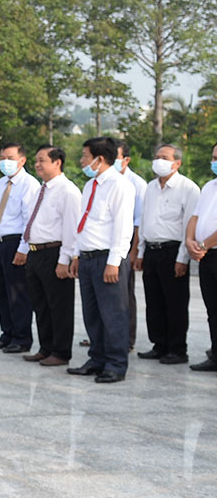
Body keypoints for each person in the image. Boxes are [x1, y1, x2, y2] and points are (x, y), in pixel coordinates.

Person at [67, 137, 136, 384]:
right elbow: (82, 223)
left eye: (85, 155)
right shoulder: (90, 185)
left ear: (100, 158)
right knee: (92, 313)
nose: (82, 160)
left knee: (114, 314)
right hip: (87, 258)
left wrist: (114, 261)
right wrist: (75, 254)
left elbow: (123, 227)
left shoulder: (120, 185)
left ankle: (116, 365)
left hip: (107, 258)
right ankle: (97, 358)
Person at [15, 145, 82, 367]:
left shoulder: (68, 191)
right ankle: (46, 347)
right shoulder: (40, 189)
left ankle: (61, 352)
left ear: (57, 162)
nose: (37, 165)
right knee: (41, 304)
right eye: (36, 160)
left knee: (59, 305)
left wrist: (65, 260)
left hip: (55, 253)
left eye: (42, 160)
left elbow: (72, 229)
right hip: (35, 254)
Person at [136, 144, 199, 365]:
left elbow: (189, 225)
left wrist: (183, 257)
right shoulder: (151, 187)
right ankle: (159, 344)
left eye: (164, 157)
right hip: (152, 249)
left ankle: (177, 349)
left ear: (177, 163)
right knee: (154, 301)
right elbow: (145, 220)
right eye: (156, 157)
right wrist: (140, 251)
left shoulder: (188, 188)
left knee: (175, 302)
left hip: (173, 250)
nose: (158, 161)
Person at [0, 143, 40, 353]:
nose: (4, 162)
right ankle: (7, 333)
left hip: (15, 242)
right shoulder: (0, 184)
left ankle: (21, 337)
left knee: (18, 293)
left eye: (9, 157)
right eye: (2, 157)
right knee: (0, 291)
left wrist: (23, 249)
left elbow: (29, 220)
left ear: (22, 160)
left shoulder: (29, 184)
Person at [184, 142, 217, 373]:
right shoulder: (209, 186)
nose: (214, 162)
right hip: (206, 256)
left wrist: (203, 244)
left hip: (209, 249)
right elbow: (195, 217)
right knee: (212, 309)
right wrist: (189, 241)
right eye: (214, 157)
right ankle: (215, 353)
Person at [118, 142, 146, 350]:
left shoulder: (137, 184)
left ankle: (126, 338)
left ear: (126, 160)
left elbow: (138, 222)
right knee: (105, 294)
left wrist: (135, 251)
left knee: (124, 294)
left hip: (126, 245)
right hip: (103, 246)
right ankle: (103, 335)